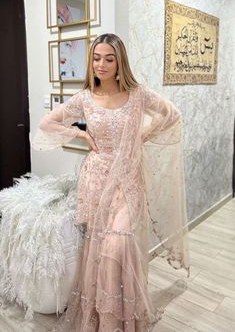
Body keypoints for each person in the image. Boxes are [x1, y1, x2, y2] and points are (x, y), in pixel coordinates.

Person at [32, 33, 189, 332]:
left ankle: (123, 320)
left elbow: (172, 114)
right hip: (97, 180)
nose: (101, 64)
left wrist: (142, 136)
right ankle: (106, 321)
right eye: (96, 58)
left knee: (118, 246)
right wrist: (81, 133)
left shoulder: (138, 94)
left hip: (128, 181)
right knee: (101, 251)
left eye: (109, 58)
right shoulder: (85, 99)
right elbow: (46, 123)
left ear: (120, 63)